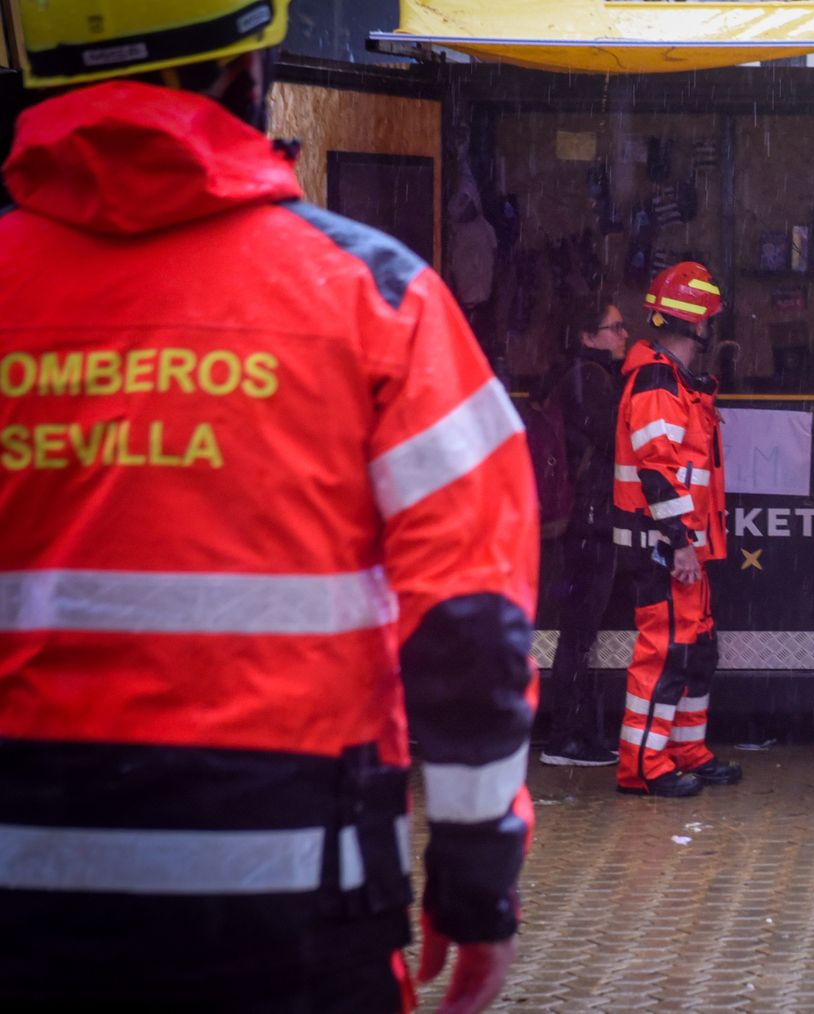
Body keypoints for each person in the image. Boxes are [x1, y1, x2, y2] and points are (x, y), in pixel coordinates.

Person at [0, 4, 537, 1011]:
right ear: (250, 65)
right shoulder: (378, 298)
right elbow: (471, 627)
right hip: (295, 921)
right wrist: (475, 887)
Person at [611, 262, 742, 797]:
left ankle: (685, 749)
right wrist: (682, 541)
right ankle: (642, 766)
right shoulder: (659, 381)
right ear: (698, 323)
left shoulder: (676, 382)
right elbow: (657, 470)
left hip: (685, 547)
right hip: (667, 546)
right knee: (664, 653)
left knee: (696, 650)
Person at [539, 297, 629, 767]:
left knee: (579, 631)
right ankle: (566, 737)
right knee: (579, 632)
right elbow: (617, 441)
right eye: (614, 328)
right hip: (590, 521)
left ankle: (572, 731)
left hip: (583, 520)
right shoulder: (590, 379)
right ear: (588, 337)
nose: (624, 335)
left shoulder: (575, 377)